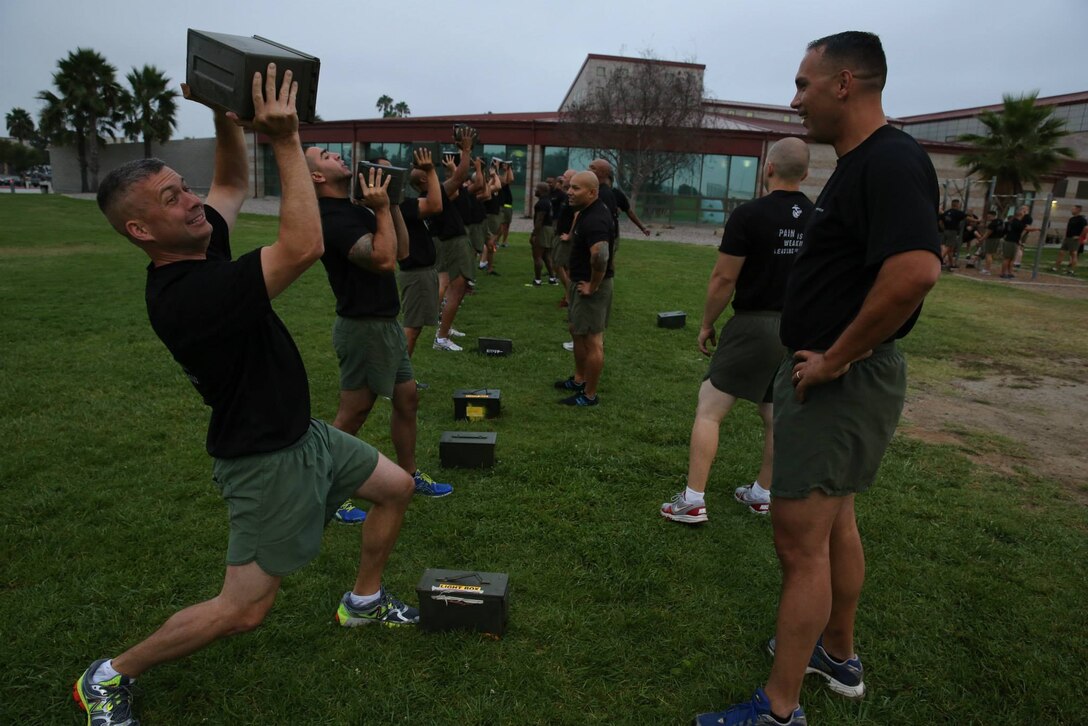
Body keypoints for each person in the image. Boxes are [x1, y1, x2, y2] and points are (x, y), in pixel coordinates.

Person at [77, 65, 420, 726]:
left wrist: (225, 119)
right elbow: (302, 244)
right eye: (173, 198)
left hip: (306, 434)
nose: (192, 203)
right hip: (263, 458)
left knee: (396, 488)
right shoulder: (189, 297)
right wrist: (286, 140)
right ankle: (110, 675)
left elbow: (231, 183)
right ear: (141, 232)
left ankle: (365, 600)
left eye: (184, 188)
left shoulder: (202, 250)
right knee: (244, 610)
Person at [694, 32, 941, 725]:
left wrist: (836, 356)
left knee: (800, 543)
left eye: (804, 84)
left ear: (846, 83)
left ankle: (779, 709)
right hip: (837, 381)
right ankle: (836, 651)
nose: (795, 99)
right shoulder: (864, 163)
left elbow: (917, 271)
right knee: (835, 526)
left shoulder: (890, 161)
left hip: (838, 383)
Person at [660, 138, 812, 525]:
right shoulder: (819, 217)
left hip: (754, 323)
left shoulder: (749, 214)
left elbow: (724, 277)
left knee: (710, 408)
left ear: (769, 169)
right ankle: (762, 493)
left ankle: (693, 500)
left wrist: (708, 322)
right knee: (775, 412)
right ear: (807, 174)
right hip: (797, 328)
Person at [305, 144, 453, 514]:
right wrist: (383, 209)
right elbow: (383, 260)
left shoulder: (355, 210)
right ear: (317, 177)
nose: (337, 156)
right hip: (364, 328)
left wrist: (392, 204)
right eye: (326, 156)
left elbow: (401, 250)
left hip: (384, 325)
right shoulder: (331, 218)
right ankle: (322, 489)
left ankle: (408, 473)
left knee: (407, 398)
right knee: (353, 413)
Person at [553, 171, 616, 406]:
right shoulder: (586, 212)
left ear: (592, 192)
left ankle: (589, 395)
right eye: (570, 187)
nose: (569, 191)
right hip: (579, 283)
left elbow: (600, 256)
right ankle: (580, 380)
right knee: (576, 330)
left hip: (592, 288)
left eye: (576, 188)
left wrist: (594, 285)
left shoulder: (596, 219)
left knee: (593, 340)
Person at [397, 149, 444, 356]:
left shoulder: (402, 204)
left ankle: (401, 377)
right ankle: (400, 378)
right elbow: (435, 205)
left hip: (421, 272)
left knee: (415, 327)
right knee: (412, 328)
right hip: (416, 273)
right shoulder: (401, 206)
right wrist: (431, 169)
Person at [530, 181, 558, 285]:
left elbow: (539, 220)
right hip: (549, 229)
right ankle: (552, 278)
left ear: (542, 191)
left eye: (537, 188)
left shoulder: (541, 203)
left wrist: (534, 234)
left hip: (542, 230)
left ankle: (537, 280)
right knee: (547, 255)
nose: (535, 190)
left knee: (537, 255)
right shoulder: (549, 201)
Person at [1051, 204, 1085, 275]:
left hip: (1074, 239)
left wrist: (1079, 236)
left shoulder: (1082, 219)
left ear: (1078, 210)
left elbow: (1086, 229)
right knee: (1061, 252)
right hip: (1068, 238)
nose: (1072, 210)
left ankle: (1072, 270)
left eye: (1073, 209)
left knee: (1073, 254)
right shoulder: (1071, 219)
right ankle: (1056, 267)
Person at [938, 198, 965, 270]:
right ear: (957, 205)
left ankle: (951, 264)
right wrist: (977, 220)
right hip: (952, 232)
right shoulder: (958, 213)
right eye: (959, 204)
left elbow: (940, 222)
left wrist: (943, 229)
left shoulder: (946, 212)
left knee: (950, 249)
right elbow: (967, 217)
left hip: (945, 231)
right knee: (948, 247)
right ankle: (939, 261)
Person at [977, 209, 1003, 276]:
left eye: (989, 216)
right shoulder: (1000, 221)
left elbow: (988, 233)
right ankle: (986, 269)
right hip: (997, 239)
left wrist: (981, 239)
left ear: (992, 216)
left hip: (991, 240)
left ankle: (987, 270)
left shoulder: (992, 224)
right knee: (990, 254)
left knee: (988, 254)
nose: (988, 218)